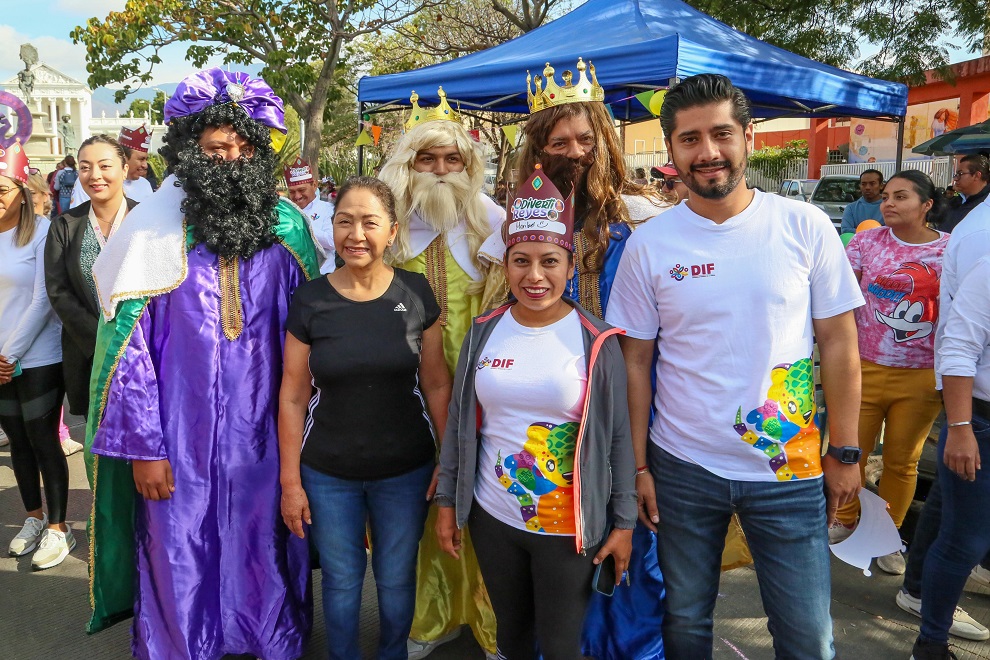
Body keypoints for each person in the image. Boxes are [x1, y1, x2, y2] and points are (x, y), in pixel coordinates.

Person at [606, 73, 865, 658]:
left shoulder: (805, 226)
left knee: (807, 637)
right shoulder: (650, 244)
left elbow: (841, 344)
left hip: (788, 468)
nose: (708, 153)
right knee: (685, 624)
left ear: (749, 136)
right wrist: (640, 466)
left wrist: (846, 451)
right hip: (681, 468)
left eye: (721, 134)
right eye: (690, 139)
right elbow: (636, 361)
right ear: (671, 150)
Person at [84, 68, 318, 658]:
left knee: (261, 541)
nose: (231, 159)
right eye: (217, 148)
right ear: (190, 151)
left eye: (243, 149)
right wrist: (145, 448)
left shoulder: (288, 227)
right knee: (177, 547)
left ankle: (267, 639)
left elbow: (317, 337)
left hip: (268, 437)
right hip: (177, 442)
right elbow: (127, 355)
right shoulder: (153, 233)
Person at [435, 163, 636, 660]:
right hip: (492, 515)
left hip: (568, 529)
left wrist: (625, 521)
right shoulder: (484, 329)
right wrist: (446, 501)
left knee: (563, 644)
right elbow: (462, 421)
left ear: (570, 267)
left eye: (549, 261)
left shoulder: (597, 340)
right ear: (506, 266)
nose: (534, 275)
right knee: (511, 636)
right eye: (520, 261)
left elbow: (617, 437)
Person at [512, 58, 669, 660]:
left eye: (584, 138)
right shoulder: (519, 219)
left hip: (631, 393)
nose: (573, 151)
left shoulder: (646, 218)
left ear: (603, 140)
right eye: (559, 141)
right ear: (539, 149)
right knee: (562, 526)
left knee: (632, 525)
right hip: (554, 397)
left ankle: (632, 648)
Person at [280, 176, 450, 660]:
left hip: (406, 468)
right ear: (331, 229)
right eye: (344, 221)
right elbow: (293, 396)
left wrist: (449, 458)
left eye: (369, 222)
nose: (356, 234)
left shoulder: (415, 293)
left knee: (397, 580)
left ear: (392, 232)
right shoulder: (311, 300)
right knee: (340, 580)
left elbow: (437, 383)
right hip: (328, 472)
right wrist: (291, 482)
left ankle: (392, 653)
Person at [378, 87, 503, 659]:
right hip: (405, 392)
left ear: (469, 166)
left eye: (452, 160)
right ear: (408, 165)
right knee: (419, 502)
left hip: (481, 389)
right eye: (427, 159)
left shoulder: (491, 223)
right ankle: (431, 617)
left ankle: (493, 617)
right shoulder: (387, 229)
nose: (441, 170)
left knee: (487, 498)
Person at [830, 171, 949, 576]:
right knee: (851, 454)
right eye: (885, 197)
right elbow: (840, 296)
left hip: (921, 375)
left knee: (902, 461)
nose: (888, 204)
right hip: (861, 369)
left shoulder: (950, 251)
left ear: (927, 204)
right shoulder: (865, 242)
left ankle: (887, 536)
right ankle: (844, 521)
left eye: (900, 196)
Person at [911, 255, 990, 660]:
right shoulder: (988, 271)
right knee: (964, 541)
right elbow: (958, 348)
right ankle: (931, 644)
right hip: (979, 426)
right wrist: (959, 428)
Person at [0, 143, 73, 569]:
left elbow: (44, 299)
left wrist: (8, 354)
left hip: (38, 357)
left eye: (3, 190)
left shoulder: (43, 230)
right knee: (19, 445)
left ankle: (59, 527)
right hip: (1, 360)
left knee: (43, 440)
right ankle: (32, 516)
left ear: (22, 192)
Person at [45, 135, 137, 422]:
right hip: (89, 354)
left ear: (124, 169)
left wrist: (132, 340)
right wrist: (103, 339)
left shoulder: (147, 220)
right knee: (99, 446)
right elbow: (58, 290)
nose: (94, 175)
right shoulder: (65, 225)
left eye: (104, 165)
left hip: (144, 352)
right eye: (85, 167)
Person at [26, 171, 81, 457]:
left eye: (36, 193)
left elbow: (47, 294)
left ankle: (61, 432)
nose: (45, 196)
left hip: (47, 335)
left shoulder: (49, 230)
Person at [71, 126, 155, 206]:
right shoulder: (92, 182)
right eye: (141, 159)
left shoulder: (145, 185)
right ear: (124, 158)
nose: (145, 165)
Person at [283, 154, 336, 273]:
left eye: (302, 190)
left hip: (322, 276)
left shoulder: (328, 209)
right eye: (292, 192)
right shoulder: (285, 212)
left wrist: (303, 228)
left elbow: (333, 241)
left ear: (314, 185)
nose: (297, 196)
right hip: (293, 277)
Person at [942, 154, 990, 233]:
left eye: (960, 174)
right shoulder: (953, 203)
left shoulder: (986, 203)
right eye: (955, 175)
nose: (955, 179)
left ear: (977, 176)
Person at [840, 169, 884, 234]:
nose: (867, 187)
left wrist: (858, 231)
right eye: (864, 184)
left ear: (881, 186)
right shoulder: (851, 208)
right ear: (860, 186)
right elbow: (846, 231)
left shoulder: (888, 207)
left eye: (872, 184)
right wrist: (875, 233)